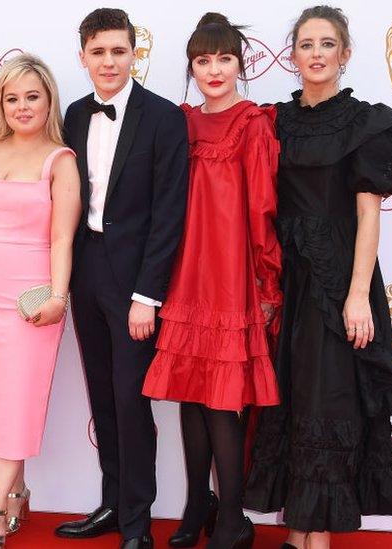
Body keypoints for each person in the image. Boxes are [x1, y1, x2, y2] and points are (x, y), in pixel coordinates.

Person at [244, 7, 392, 549]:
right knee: (290, 396)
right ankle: (298, 532)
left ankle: (314, 541)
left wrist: (358, 294)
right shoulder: (274, 121)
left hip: (338, 279)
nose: (316, 53)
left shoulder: (367, 122)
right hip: (284, 277)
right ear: (292, 55)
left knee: (326, 398)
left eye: (327, 43)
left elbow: (368, 214)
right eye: (306, 44)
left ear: (345, 53)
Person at [141, 13, 281, 549]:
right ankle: (199, 502)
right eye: (204, 60)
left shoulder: (254, 124)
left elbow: (263, 209)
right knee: (192, 398)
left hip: (230, 277)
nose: (214, 70)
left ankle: (232, 519)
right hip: (183, 274)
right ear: (192, 67)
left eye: (224, 59)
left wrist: (268, 284)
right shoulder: (179, 122)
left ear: (240, 65)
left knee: (224, 402)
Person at [54, 9, 189, 549]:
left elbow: (169, 213)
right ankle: (111, 503)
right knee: (103, 398)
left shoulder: (164, 117)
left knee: (133, 404)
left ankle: (138, 523)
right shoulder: (73, 114)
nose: (108, 61)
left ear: (135, 53)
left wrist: (147, 295)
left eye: (118, 51)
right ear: (83, 56)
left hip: (135, 283)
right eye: (98, 52)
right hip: (86, 271)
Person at [0, 53, 79, 549]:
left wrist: (59, 299)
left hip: (31, 302)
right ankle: (19, 488)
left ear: (49, 101)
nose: (22, 107)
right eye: (12, 98)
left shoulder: (60, 160)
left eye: (32, 97)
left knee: (16, 403)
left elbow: (62, 240)